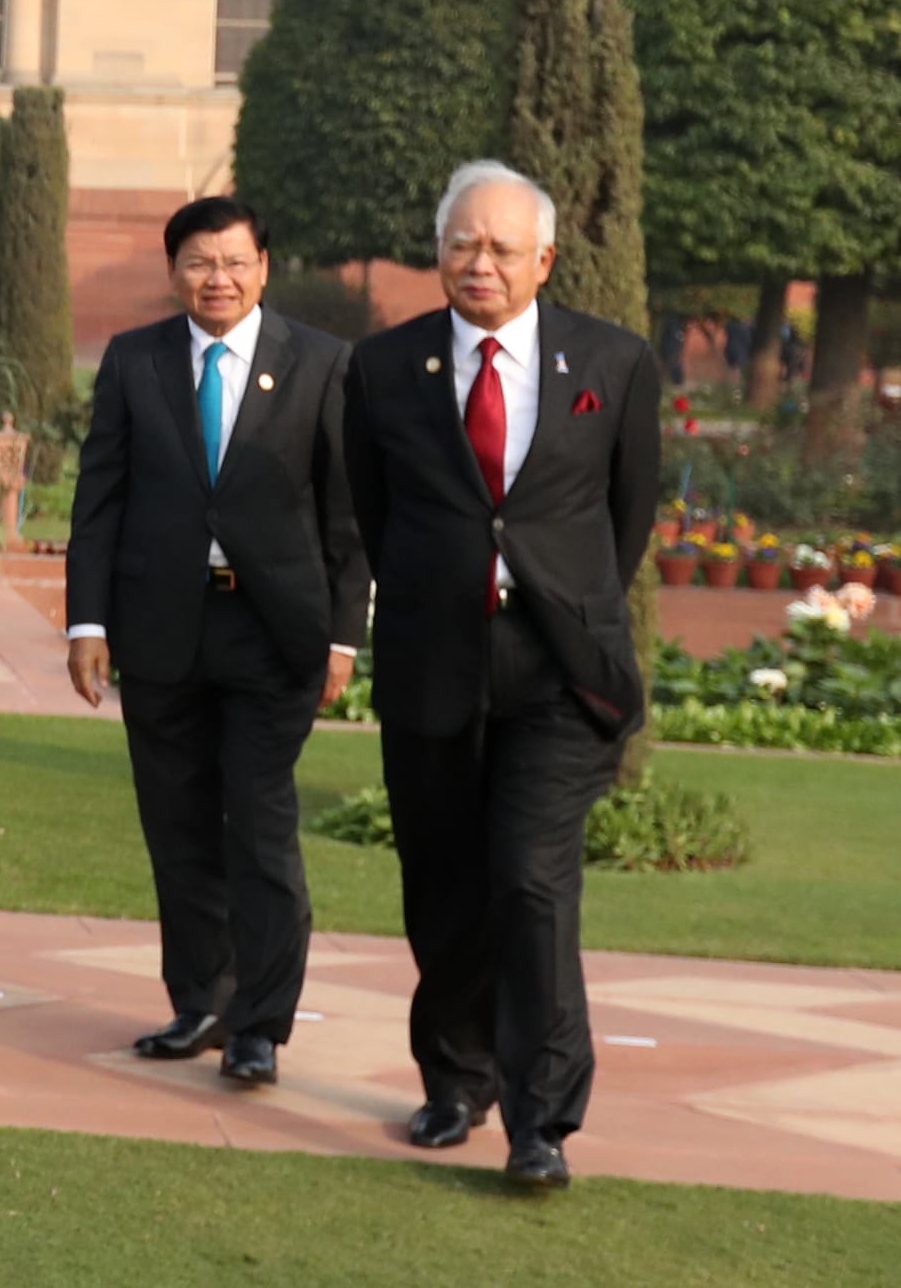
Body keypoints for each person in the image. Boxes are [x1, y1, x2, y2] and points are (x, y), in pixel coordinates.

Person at [345, 161, 658, 1189]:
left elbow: (623, 521)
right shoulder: (384, 367)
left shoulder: (610, 363)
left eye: (499, 248)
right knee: (443, 886)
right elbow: (373, 511)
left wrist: (559, 600)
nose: (477, 264)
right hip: (432, 659)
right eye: (460, 245)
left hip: (557, 669)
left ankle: (540, 1119)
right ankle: (453, 1078)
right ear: (438, 250)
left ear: (543, 261)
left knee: (529, 878)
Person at [65, 195, 365, 1086]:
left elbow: (351, 516)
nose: (218, 278)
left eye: (235, 261)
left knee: (260, 824)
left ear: (264, 267)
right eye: (200, 262)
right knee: (179, 825)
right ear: (174, 272)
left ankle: (260, 1023)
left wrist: (346, 637)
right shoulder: (135, 360)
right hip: (163, 629)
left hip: (276, 633)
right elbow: (100, 499)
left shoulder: (320, 363)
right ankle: (200, 999)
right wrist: (89, 622)